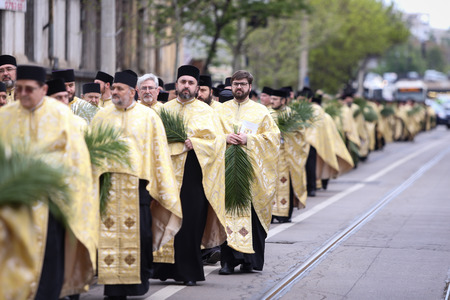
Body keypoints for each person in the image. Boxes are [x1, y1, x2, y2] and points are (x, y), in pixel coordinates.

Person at [0, 65, 98, 299]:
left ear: (43, 89)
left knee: (49, 268)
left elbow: (78, 162)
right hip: (14, 207)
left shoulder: (61, 115)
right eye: (19, 88)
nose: (23, 93)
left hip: (52, 206)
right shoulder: (5, 117)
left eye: (29, 89)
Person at [91, 71, 182, 299]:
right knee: (109, 236)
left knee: (141, 236)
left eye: (120, 89)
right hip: (108, 187)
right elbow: (92, 151)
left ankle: (136, 283)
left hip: (139, 187)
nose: (115, 92)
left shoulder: (148, 117)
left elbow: (159, 154)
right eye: (114, 88)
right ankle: (113, 288)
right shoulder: (102, 116)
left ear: (132, 92)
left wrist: (158, 187)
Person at [152, 65, 227, 286]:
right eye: (183, 82)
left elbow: (218, 142)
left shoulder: (207, 112)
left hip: (194, 176)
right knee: (164, 216)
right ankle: (163, 270)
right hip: (167, 174)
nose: (186, 86)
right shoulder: (163, 110)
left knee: (191, 222)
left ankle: (188, 272)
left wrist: (195, 143)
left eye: (191, 83)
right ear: (176, 85)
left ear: (197, 87)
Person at [215, 70, 280, 275]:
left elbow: (274, 139)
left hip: (252, 174)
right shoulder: (219, 111)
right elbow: (210, 135)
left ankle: (249, 260)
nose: (239, 88)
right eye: (235, 84)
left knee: (251, 216)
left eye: (243, 84)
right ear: (231, 86)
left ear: (250, 87)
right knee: (227, 215)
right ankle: (227, 261)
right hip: (226, 170)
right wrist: (225, 138)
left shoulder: (261, 112)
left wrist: (249, 140)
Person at [270, 89, 309, 223]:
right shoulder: (267, 113)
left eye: (275, 99)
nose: (272, 101)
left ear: (283, 100)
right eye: (271, 99)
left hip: (286, 156)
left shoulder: (292, 115)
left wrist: (286, 135)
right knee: (270, 183)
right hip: (270, 157)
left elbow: (301, 136)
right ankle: (270, 213)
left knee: (285, 183)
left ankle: (284, 213)